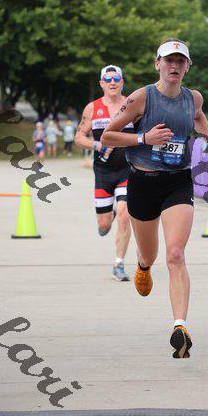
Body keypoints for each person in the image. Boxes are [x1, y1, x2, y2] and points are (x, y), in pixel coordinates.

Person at [101, 39, 208, 358]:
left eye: (180, 61)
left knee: (175, 254)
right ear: (157, 63)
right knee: (150, 254)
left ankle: (180, 327)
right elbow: (108, 136)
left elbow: (198, 117)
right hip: (142, 182)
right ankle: (143, 265)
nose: (174, 66)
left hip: (177, 183)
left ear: (187, 66)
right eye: (169, 60)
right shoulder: (140, 98)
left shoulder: (193, 98)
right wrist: (144, 137)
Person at [75, 65, 133, 281]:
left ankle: (119, 264)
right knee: (104, 225)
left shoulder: (132, 105)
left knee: (125, 214)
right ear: (101, 83)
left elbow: (142, 134)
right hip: (103, 173)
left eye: (116, 78)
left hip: (127, 170)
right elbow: (79, 137)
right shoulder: (92, 108)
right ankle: (109, 216)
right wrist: (97, 145)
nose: (112, 82)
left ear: (122, 82)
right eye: (107, 79)